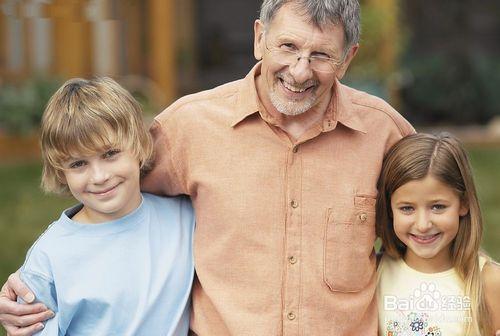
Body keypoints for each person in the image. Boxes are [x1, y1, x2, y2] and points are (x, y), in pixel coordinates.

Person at [1, 1, 415, 335]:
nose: (300, 70)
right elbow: (110, 200)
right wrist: (40, 277)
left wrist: (478, 278)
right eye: (287, 47)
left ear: (347, 59)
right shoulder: (188, 127)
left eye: (321, 54)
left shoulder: (384, 133)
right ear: (259, 38)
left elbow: (436, 220)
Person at [1, 77, 195, 335]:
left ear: (139, 145)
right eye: (78, 164)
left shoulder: (184, 216)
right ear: (61, 173)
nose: (99, 176)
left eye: (110, 154)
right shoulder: (49, 259)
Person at [376, 133, 500, 335]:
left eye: (438, 207)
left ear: (464, 204)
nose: (423, 224)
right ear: (390, 209)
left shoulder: (491, 281)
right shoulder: (373, 275)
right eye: (407, 208)